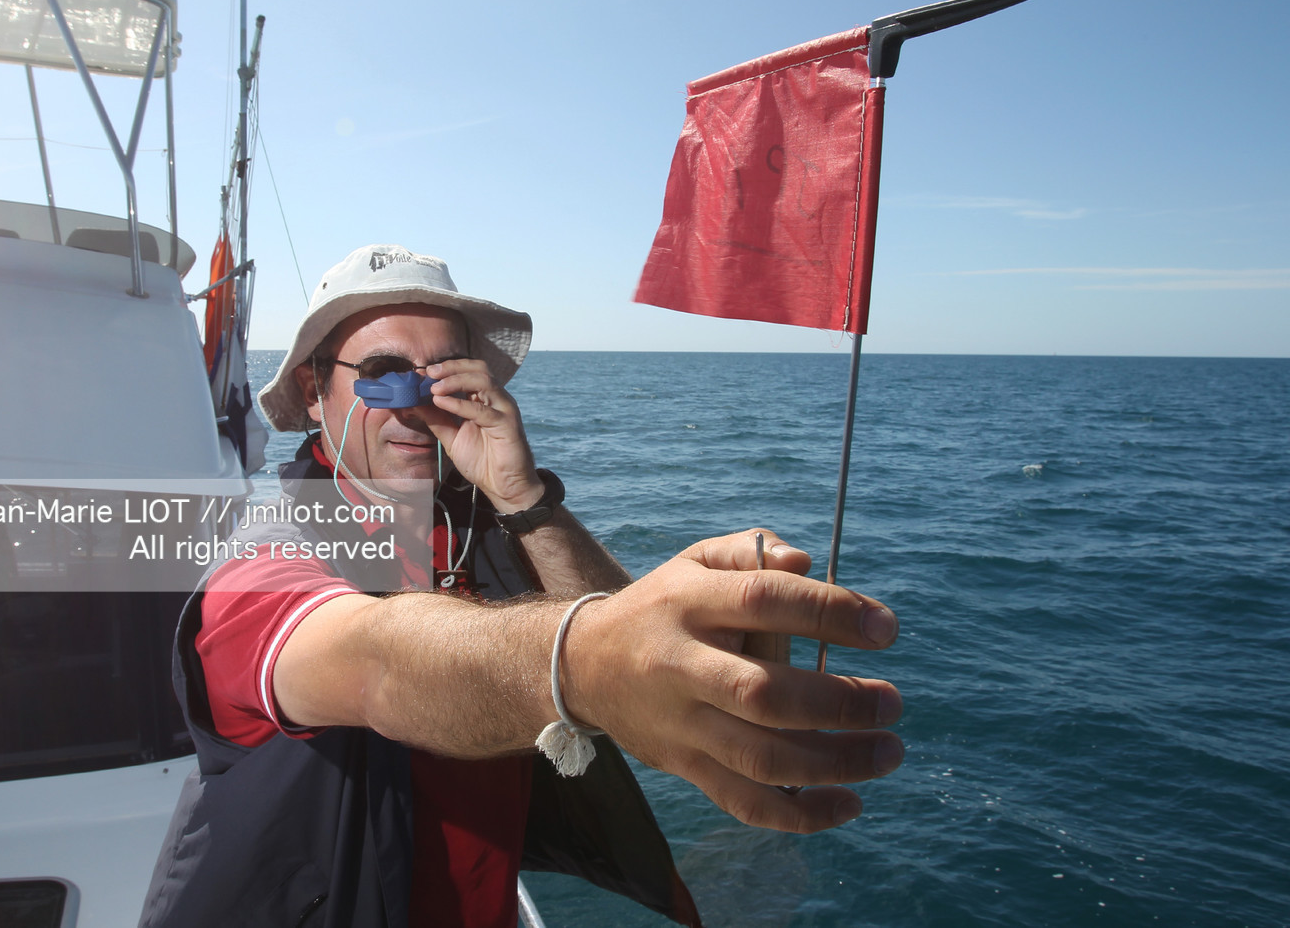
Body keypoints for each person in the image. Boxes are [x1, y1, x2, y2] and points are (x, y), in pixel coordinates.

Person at [140, 245, 904, 928]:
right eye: (382, 377)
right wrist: (587, 664)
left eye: (439, 374)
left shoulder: (480, 529)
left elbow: (612, 619)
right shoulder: (267, 553)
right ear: (314, 393)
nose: (414, 403)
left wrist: (523, 496)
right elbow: (378, 663)